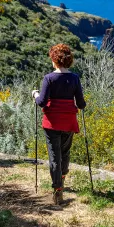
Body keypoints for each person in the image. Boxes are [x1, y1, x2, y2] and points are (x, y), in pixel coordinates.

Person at [32, 43, 86, 205]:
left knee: (54, 156)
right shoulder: (75, 78)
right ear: (68, 61)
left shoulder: (49, 78)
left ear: (54, 60)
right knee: (65, 152)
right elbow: (81, 104)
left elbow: (41, 102)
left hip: (51, 123)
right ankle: (61, 178)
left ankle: (58, 190)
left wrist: (34, 94)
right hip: (68, 121)